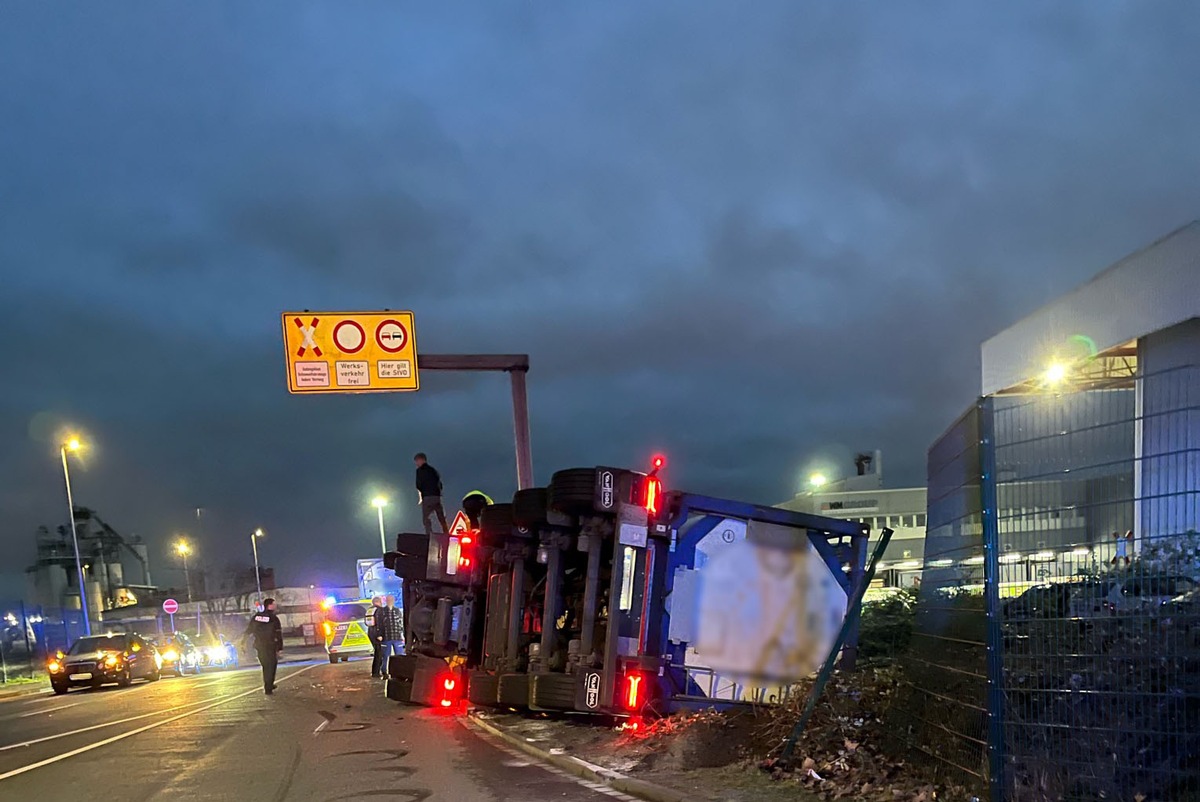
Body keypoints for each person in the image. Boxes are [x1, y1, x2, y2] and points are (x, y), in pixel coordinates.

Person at [242, 597, 283, 695]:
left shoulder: (256, 617)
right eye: (274, 604)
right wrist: (280, 648)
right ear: (270, 605)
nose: (275, 606)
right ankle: (269, 685)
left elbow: (249, 630)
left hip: (259, 645)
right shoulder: (274, 618)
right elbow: (278, 634)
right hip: (270, 645)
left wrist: (243, 642)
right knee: (272, 665)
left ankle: (267, 685)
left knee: (265, 666)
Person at [414, 452, 449, 535]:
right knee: (440, 516)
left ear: (421, 460)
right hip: (437, 497)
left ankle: (429, 535)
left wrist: (422, 493)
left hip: (427, 497)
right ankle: (446, 532)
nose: (416, 464)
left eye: (416, 461)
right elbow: (440, 484)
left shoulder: (419, 471)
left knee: (426, 518)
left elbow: (418, 484)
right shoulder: (433, 470)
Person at [377, 594, 405, 669]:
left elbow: (401, 622)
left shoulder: (397, 610)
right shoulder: (382, 611)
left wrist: (402, 634)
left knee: (400, 656)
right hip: (386, 637)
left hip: (397, 637)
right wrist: (379, 635)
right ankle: (384, 671)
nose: (390, 601)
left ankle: (401, 670)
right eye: (388, 600)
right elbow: (379, 624)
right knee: (385, 656)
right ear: (386, 601)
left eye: (391, 600)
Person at [367, 596, 385, 678]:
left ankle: (375, 671)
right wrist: (380, 634)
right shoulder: (379, 610)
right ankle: (376, 672)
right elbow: (380, 623)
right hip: (377, 635)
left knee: (377, 652)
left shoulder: (369, 610)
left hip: (371, 633)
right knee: (379, 654)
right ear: (378, 602)